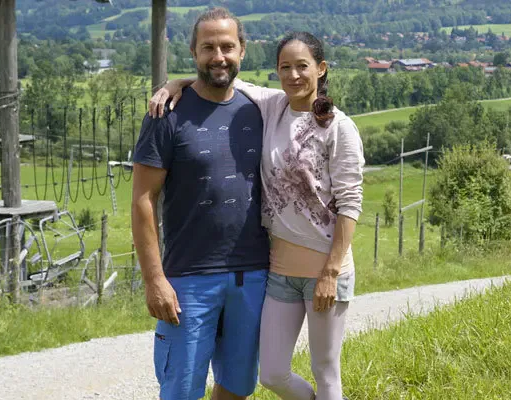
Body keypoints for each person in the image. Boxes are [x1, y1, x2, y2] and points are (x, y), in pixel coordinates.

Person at [152, 31, 365, 400]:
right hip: (280, 269)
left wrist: (330, 272)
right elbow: (223, 76)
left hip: (325, 270)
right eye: (285, 67)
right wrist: (176, 83)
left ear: (321, 68)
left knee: (326, 371)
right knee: (272, 374)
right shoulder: (272, 106)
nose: (294, 76)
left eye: (303, 67)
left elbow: (350, 202)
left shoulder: (339, 128)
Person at [130, 8, 270, 400]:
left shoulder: (258, 110)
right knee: (181, 389)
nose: (219, 56)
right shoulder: (166, 114)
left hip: (253, 273)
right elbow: (143, 200)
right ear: (193, 51)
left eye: (227, 46)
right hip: (187, 279)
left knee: (238, 387)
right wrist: (154, 280)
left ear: (242, 50)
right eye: (208, 47)